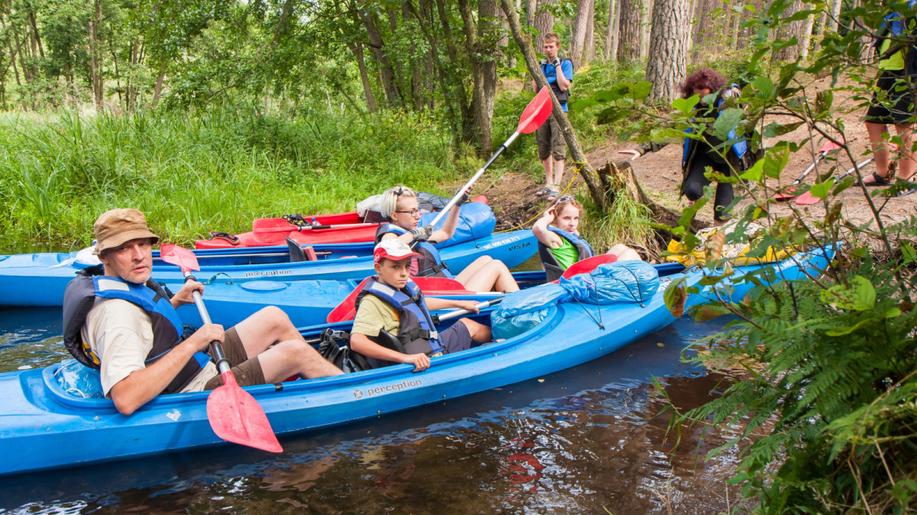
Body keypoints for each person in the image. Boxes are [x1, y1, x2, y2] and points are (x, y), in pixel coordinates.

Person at [62, 208, 342, 415]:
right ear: (104, 256)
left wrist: (175, 302)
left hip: (192, 366)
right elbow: (126, 398)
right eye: (124, 248)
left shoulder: (120, 282)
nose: (139, 255)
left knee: (273, 318)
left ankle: (312, 381)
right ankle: (347, 391)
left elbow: (144, 332)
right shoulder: (116, 316)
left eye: (143, 244)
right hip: (192, 390)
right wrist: (195, 342)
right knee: (296, 352)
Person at [349, 239, 492, 371]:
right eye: (395, 267)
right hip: (422, 361)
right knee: (470, 328)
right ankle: (495, 352)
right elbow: (357, 341)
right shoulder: (372, 302)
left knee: (468, 324)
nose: (404, 273)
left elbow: (419, 304)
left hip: (432, 346)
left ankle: (496, 344)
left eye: (407, 266)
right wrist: (405, 358)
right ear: (378, 268)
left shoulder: (400, 287)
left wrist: (459, 304)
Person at [376, 186, 519, 292]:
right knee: (497, 266)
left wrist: (457, 205)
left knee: (486, 259)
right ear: (394, 215)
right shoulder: (389, 235)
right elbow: (387, 246)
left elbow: (446, 233)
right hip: (439, 295)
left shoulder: (411, 232)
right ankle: (520, 308)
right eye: (412, 212)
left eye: (418, 210)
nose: (418, 215)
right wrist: (414, 234)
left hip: (446, 284)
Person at [679, 68, 749, 222]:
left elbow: (745, 117)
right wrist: (641, 149)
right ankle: (690, 215)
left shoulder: (728, 100)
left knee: (723, 212)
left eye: (703, 91)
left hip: (729, 160)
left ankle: (719, 233)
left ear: (713, 89)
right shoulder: (693, 109)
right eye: (696, 93)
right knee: (692, 191)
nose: (700, 97)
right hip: (706, 157)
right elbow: (674, 127)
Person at [861, 0, 917, 194]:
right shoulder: (892, 8)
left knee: (904, 124)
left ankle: (907, 178)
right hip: (888, 70)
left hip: (909, 72)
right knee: (874, 121)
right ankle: (882, 173)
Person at [532, 195, 642, 281]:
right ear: (554, 218)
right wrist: (547, 218)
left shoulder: (570, 235)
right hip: (580, 284)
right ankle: (643, 286)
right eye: (566, 218)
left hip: (587, 276)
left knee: (619, 247)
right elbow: (538, 228)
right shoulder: (555, 239)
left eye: (576, 218)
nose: (572, 223)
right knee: (630, 254)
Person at [534, 33, 574, 200]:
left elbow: (564, 86)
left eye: (551, 46)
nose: (548, 49)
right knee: (543, 147)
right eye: (546, 47)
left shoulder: (565, 63)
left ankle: (557, 186)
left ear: (557, 47)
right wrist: (538, 71)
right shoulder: (542, 65)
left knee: (558, 146)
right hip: (542, 109)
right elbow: (536, 89)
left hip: (559, 109)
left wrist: (557, 66)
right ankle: (549, 183)